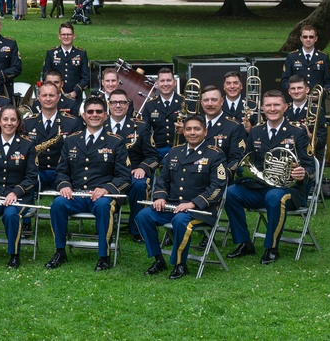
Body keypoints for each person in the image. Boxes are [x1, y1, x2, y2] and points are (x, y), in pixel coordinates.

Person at [224, 90, 315, 264]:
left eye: (276, 105)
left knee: (275, 197)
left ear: (285, 107)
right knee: (230, 193)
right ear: (262, 108)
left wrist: (302, 172)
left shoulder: (297, 133)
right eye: (268, 105)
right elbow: (248, 160)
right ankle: (244, 242)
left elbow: (310, 166)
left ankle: (271, 247)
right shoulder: (256, 132)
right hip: (261, 187)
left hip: (290, 190)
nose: (272, 109)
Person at [135, 115, 227, 279]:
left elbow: (217, 188)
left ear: (205, 132)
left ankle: (180, 264)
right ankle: (158, 259)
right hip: (172, 206)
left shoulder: (215, 155)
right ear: (183, 131)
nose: (192, 133)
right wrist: (160, 197)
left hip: (200, 210)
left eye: (197, 129)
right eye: (189, 129)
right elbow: (163, 179)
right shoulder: (174, 152)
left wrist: (193, 204)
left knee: (180, 221)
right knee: (143, 216)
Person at [45, 97, 130, 271]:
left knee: (103, 206)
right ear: (83, 115)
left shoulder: (116, 141)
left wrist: (106, 189)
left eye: (99, 111)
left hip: (101, 196)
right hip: (76, 194)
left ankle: (103, 256)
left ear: (106, 115)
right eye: (90, 111)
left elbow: (124, 176)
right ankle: (59, 251)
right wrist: (64, 186)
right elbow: (61, 171)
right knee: (58, 204)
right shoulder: (71, 140)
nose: (94, 115)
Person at [0, 106, 38, 268]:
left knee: (11, 215)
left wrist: (16, 192)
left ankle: (14, 255)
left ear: (18, 123)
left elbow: (31, 177)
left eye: (13, 120)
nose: (9, 123)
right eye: (5, 119)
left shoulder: (28, 145)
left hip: (19, 197)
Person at [105, 90, 158, 244]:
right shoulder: (100, 124)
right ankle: (104, 224)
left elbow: (153, 156)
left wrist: (143, 167)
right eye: (114, 102)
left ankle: (136, 228)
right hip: (107, 174)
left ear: (128, 105)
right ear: (109, 105)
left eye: (122, 102)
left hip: (133, 173)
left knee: (139, 185)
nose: (118, 105)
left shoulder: (140, 127)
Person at [24, 82, 80, 192]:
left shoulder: (72, 122)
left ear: (58, 97)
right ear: (38, 98)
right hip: (37, 172)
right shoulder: (28, 122)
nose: (48, 99)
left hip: (62, 172)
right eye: (44, 95)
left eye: (52, 95)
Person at [199, 85, 247, 176]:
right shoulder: (195, 123)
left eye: (214, 100)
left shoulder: (234, 126)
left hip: (220, 177)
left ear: (221, 101)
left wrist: (222, 175)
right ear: (201, 103)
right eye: (206, 100)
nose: (209, 104)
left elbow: (236, 159)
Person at [140, 68, 184, 158]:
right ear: (157, 83)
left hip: (181, 148)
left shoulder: (185, 102)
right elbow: (145, 130)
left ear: (175, 82)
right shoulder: (150, 105)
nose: (165, 84)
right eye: (162, 81)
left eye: (168, 80)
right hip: (157, 150)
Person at [42, 23, 89, 104]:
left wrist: (75, 92)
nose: (66, 37)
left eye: (69, 34)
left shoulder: (81, 54)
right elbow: (45, 76)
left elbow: (86, 77)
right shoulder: (51, 53)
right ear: (59, 36)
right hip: (54, 98)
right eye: (63, 34)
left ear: (74, 36)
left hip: (75, 98)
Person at [285, 74, 328, 159]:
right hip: (286, 155)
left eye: (299, 88)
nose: (296, 91)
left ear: (307, 90)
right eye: (293, 88)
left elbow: (322, 142)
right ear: (289, 91)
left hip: (308, 156)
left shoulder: (316, 110)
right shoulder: (284, 109)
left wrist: (310, 136)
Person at [281, 25, 330, 91]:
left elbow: (329, 82)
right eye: (305, 37)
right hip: (297, 98)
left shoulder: (323, 57)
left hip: (317, 100)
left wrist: (321, 93)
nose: (308, 39)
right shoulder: (292, 57)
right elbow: (285, 81)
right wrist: (295, 92)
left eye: (311, 37)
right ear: (301, 38)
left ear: (316, 39)